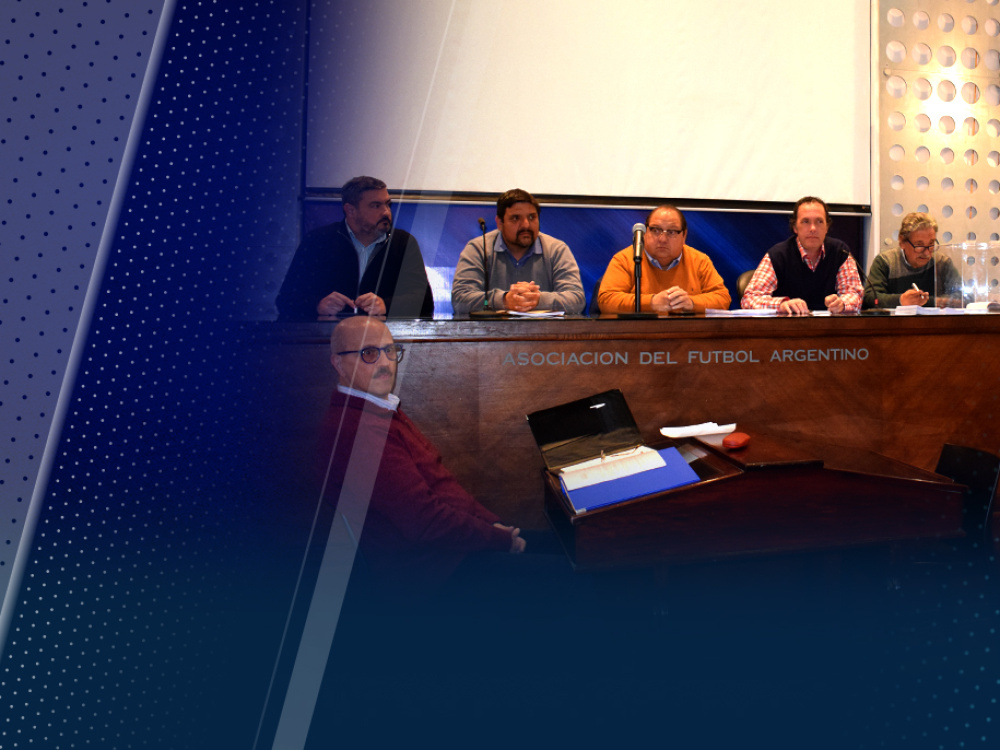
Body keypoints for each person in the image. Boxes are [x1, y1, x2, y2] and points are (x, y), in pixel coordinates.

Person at [318, 316, 525, 592]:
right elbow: (425, 521)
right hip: (428, 575)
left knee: (560, 548)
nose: (385, 363)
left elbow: (442, 487)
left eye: (390, 350)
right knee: (566, 574)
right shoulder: (358, 431)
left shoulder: (376, 410)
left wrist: (492, 524)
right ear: (338, 363)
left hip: (445, 554)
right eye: (369, 353)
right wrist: (498, 539)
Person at [276, 176, 434, 320]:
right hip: (328, 337)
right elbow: (286, 300)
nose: (386, 212)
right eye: (376, 206)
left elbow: (425, 302)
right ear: (350, 210)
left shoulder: (403, 243)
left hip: (385, 337)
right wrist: (318, 305)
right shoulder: (317, 241)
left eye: (387, 204)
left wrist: (386, 305)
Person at [451, 188, 585, 315]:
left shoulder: (556, 250)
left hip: (544, 331)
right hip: (491, 331)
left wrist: (538, 300)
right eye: (516, 218)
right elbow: (459, 300)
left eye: (532, 217)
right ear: (500, 223)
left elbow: (577, 300)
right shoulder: (479, 248)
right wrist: (504, 300)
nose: (526, 225)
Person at [597, 204, 731, 313]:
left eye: (671, 232)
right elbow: (606, 301)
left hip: (688, 334)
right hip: (639, 335)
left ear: (684, 235)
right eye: (656, 230)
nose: (662, 239)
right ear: (645, 233)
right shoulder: (626, 259)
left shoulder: (699, 260)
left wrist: (691, 303)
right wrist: (651, 303)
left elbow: (723, 298)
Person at [741, 196, 863, 314]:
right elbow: (749, 299)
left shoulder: (840, 252)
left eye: (819, 221)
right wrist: (781, 305)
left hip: (830, 326)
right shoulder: (778, 255)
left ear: (827, 227)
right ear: (795, 227)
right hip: (788, 326)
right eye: (805, 221)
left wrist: (842, 304)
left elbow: (855, 294)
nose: (813, 228)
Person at [863, 212, 962, 309]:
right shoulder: (886, 262)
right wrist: (901, 300)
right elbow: (870, 298)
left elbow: (962, 297)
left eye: (931, 244)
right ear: (902, 242)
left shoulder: (942, 262)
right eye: (919, 245)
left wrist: (923, 301)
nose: (927, 253)